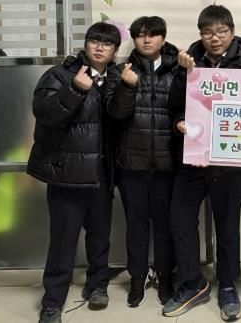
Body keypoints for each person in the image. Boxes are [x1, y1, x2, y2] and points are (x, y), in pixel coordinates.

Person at [162, 5, 241, 321]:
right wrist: (179, 121)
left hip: (230, 163)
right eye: (207, 33)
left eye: (220, 32)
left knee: (227, 225)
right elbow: (175, 107)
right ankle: (193, 283)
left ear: (232, 32)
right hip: (192, 159)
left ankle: (227, 284)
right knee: (180, 219)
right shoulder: (189, 63)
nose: (214, 38)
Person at [27, 22, 121, 323]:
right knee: (63, 241)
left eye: (107, 44)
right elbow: (44, 113)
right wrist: (75, 90)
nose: (100, 47)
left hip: (101, 172)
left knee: (99, 236)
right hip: (67, 173)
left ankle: (97, 285)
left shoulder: (116, 78)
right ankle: (52, 301)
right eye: (95, 41)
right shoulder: (59, 75)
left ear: (115, 51)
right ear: (86, 44)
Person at [105, 16, 179, 308]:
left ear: (163, 37)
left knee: (165, 225)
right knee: (135, 225)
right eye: (140, 35)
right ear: (133, 39)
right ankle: (137, 277)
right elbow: (115, 113)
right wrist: (127, 86)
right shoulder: (120, 71)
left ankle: (165, 275)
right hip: (131, 163)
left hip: (167, 163)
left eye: (153, 34)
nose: (146, 40)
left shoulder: (178, 70)